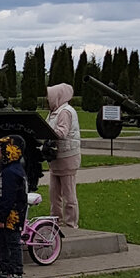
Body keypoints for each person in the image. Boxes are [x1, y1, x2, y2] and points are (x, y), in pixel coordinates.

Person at [0, 135, 27, 278]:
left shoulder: (11, 173)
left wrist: (1, 217)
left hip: (13, 214)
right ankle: (4, 267)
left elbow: (9, 198)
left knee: (13, 242)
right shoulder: (8, 170)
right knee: (2, 240)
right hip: (7, 213)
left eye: (0, 148)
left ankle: (16, 271)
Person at [46, 83, 81, 228]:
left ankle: (71, 223)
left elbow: (62, 132)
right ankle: (56, 220)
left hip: (67, 157)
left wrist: (48, 133)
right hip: (56, 159)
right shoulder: (54, 111)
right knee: (54, 194)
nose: (48, 100)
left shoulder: (65, 112)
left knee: (69, 194)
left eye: (50, 96)